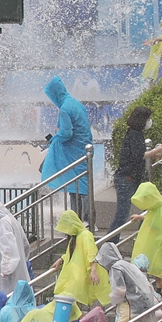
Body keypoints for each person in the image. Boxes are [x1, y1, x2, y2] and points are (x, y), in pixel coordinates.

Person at [40, 77, 93, 217]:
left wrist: (56, 138)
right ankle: (87, 218)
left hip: (73, 150)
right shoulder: (75, 103)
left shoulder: (64, 109)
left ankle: (81, 218)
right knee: (83, 185)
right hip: (84, 147)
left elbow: (67, 132)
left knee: (77, 186)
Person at [109, 107, 162, 233]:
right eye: (148, 118)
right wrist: (157, 150)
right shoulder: (134, 134)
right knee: (122, 215)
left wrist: (152, 154)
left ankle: (142, 233)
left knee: (146, 208)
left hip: (132, 178)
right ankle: (109, 243)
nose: (149, 121)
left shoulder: (135, 133)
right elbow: (138, 155)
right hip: (127, 178)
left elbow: (137, 154)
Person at [52, 210, 109, 306]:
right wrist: (61, 259)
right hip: (74, 274)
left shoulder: (85, 235)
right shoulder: (75, 237)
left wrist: (93, 271)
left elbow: (91, 253)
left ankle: (77, 320)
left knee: (74, 303)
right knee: (72, 302)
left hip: (79, 275)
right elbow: (73, 253)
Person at [0, 198, 32, 296]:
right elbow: (25, 244)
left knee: (10, 297)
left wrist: (6, 269)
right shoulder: (12, 219)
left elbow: (8, 247)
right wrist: (23, 259)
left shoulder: (4, 222)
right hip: (20, 267)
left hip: (10, 272)